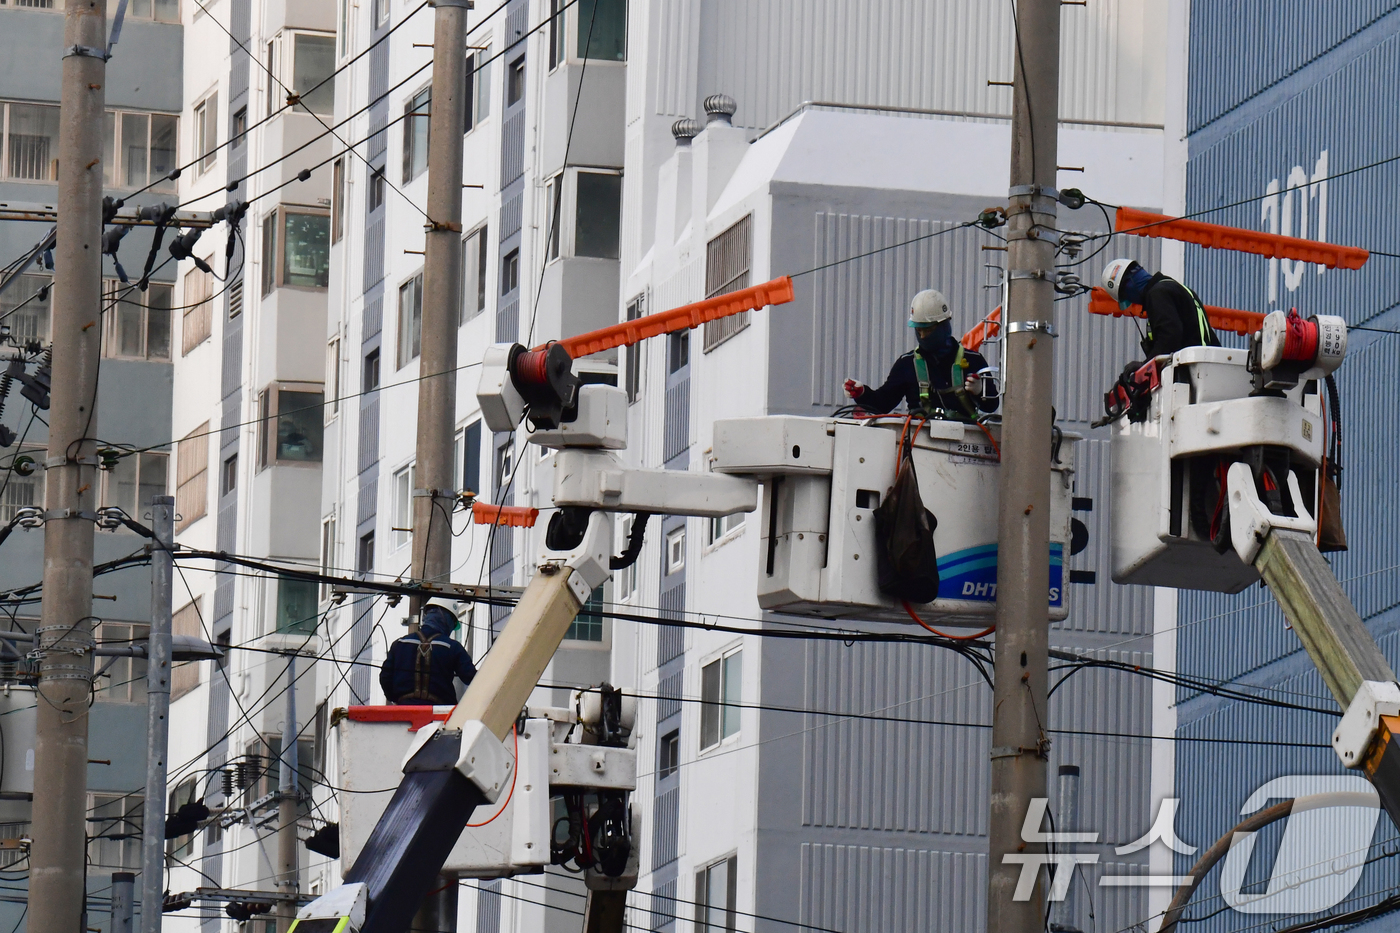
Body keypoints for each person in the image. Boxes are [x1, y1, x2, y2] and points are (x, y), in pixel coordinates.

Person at [843, 289, 998, 420]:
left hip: (965, 440)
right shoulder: (907, 365)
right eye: (919, 330)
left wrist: (980, 391)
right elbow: (883, 404)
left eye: (928, 330)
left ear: (945, 326)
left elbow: (992, 405)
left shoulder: (973, 361)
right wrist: (862, 393)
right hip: (921, 442)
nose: (923, 336)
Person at [1101, 258, 1220, 357]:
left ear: (1129, 286)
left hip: (1193, 369)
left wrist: (1146, 365)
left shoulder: (1157, 294)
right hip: (1205, 364)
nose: (1132, 301)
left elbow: (1169, 336)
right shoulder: (1173, 287)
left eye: (1127, 296)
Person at [379, 601, 477, 705]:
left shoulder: (400, 644)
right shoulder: (452, 647)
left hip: (404, 711)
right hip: (438, 714)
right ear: (448, 620)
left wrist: (399, 699)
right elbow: (472, 678)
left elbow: (385, 677)